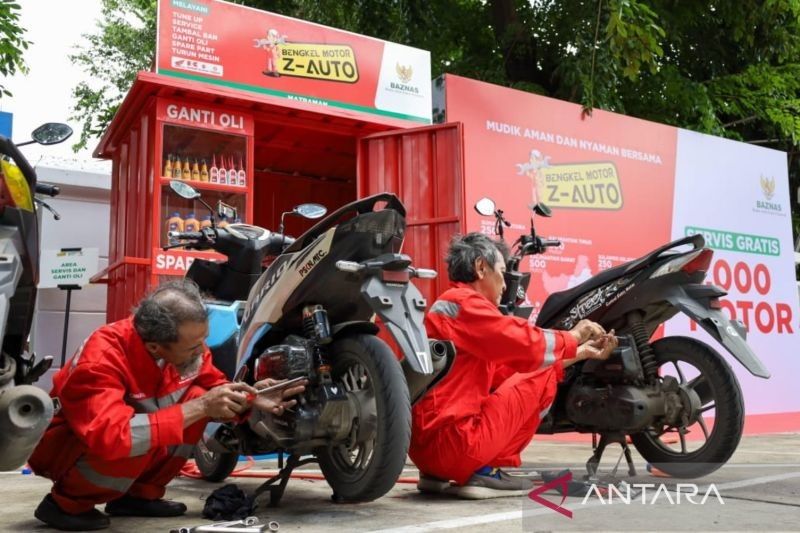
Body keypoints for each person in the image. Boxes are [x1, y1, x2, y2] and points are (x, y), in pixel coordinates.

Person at [28, 280, 305, 531]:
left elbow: (214, 388)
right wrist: (201, 408)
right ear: (154, 348)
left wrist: (252, 397)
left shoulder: (184, 347)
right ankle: (66, 504)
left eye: (203, 340)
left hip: (113, 439)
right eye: (193, 347)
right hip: (66, 450)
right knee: (145, 429)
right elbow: (111, 436)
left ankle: (138, 496)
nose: (202, 351)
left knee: (198, 396)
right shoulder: (101, 360)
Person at [409, 233, 618, 499]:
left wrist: (580, 352)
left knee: (536, 369)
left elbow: (508, 370)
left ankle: (439, 474)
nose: (505, 286)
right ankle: (487, 469)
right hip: (457, 447)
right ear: (481, 267)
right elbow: (524, 343)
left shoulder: (450, 307)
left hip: (427, 454)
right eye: (502, 273)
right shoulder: (466, 304)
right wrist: (575, 335)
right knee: (543, 376)